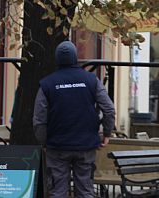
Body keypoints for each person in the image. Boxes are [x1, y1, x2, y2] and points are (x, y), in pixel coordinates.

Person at [34, 40, 116, 198]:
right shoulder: (91, 80)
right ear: (75, 58)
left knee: (57, 191)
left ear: (56, 59)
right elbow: (109, 109)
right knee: (85, 191)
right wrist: (106, 133)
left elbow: (39, 119)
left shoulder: (47, 84)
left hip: (57, 146)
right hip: (86, 145)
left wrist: (44, 141)